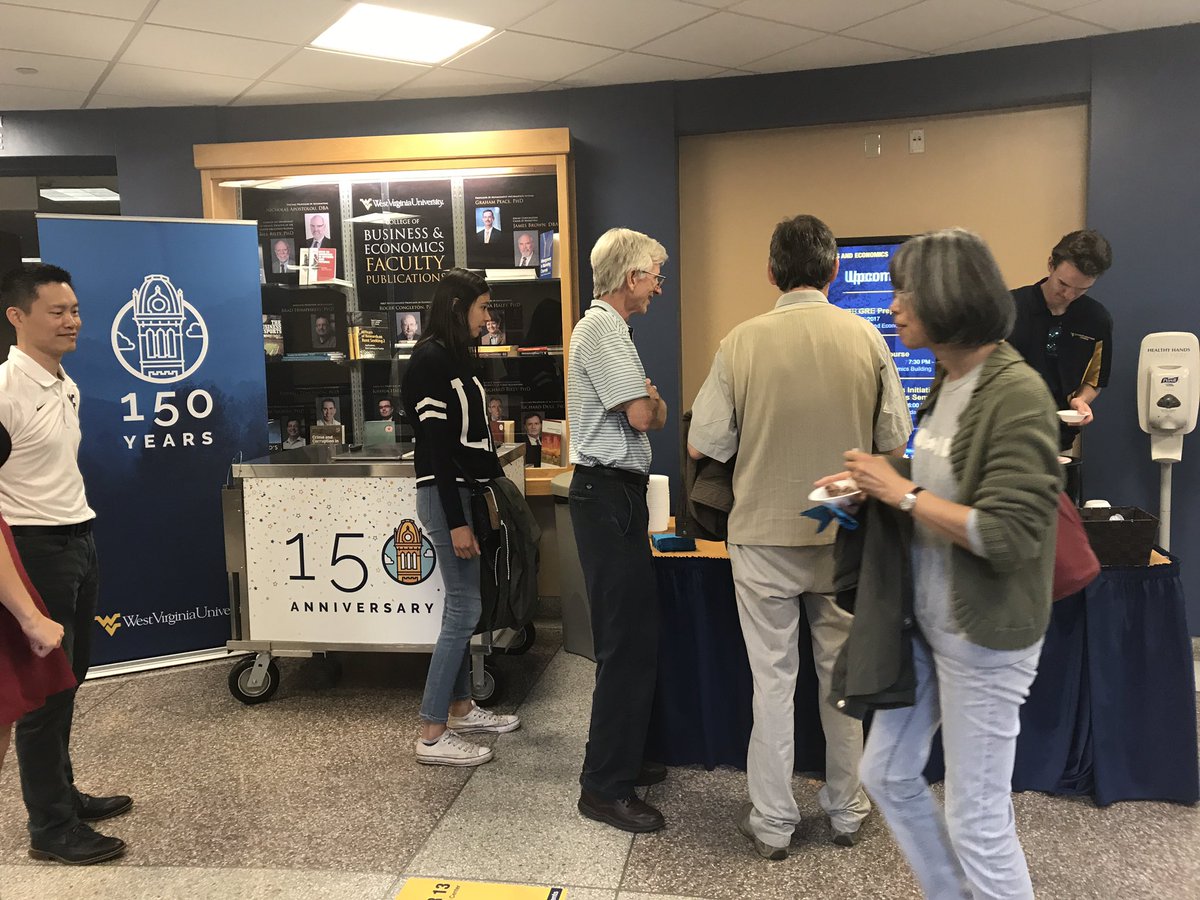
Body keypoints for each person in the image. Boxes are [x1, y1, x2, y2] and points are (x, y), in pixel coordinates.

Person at [817, 228, 1059, 899]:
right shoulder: (951, 382)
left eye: (906, 291)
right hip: (927, 628)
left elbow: (1008, 533)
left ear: (950, 299)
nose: (894, 305)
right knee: (886, 773)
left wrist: (902, 492)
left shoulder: (1016, 393)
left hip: (984, 639)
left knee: (979, 819)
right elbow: (941, 472)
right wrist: (877, 478)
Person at [688, 214, 911, 859]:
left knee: (772, 679)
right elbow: (893, 441)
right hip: (840, 528)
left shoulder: (740, 343)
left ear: (770, 272)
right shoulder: (866, 339)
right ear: (836, 270)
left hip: (760, 532)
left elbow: (707, 441)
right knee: (841, 676)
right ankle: (846, 810)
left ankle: (773, 822)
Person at [0, 263, 131, 865]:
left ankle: (64, 794)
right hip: (32, 551)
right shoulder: (5, 389)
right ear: (18, 317)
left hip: (79, 538)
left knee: (70, 681)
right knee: (43, 695)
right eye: (57, 312)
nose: (73, 320)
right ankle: (49, 826)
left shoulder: (62, 380)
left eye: (75, 309)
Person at [568, 227, 669, 833]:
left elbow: (647, 410)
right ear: (631, 277)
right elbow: (643, 414)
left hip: (614, 497)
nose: (659, 283)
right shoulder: (604, 329)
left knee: (632, 636)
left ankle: (623, 759)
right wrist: (651, 400)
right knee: (625, 643)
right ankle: (603, 787)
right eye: (655, 272)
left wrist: (651, 401)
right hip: (607, 495)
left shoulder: (612, 330)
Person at [400, 268, 519, 766]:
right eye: (482, 308)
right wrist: (456, 520)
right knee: (463, 609)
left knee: (466, 604)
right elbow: (438, 452)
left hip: (465, 496)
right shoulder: (429, 360)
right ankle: (431, 732)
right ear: (457, 308)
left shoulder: (452, 358)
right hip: (447, 498)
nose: (488, 318)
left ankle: (461, 706)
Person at [1007, 229, 1113, 452]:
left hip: (1060, 441)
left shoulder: (1096, 319)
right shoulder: (1009, 308)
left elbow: (1095, 379)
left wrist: (1082, 401)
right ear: (1050, 265)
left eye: (1081, 289)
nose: (1068, 295)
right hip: (1006, 435)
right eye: (1063, 284)